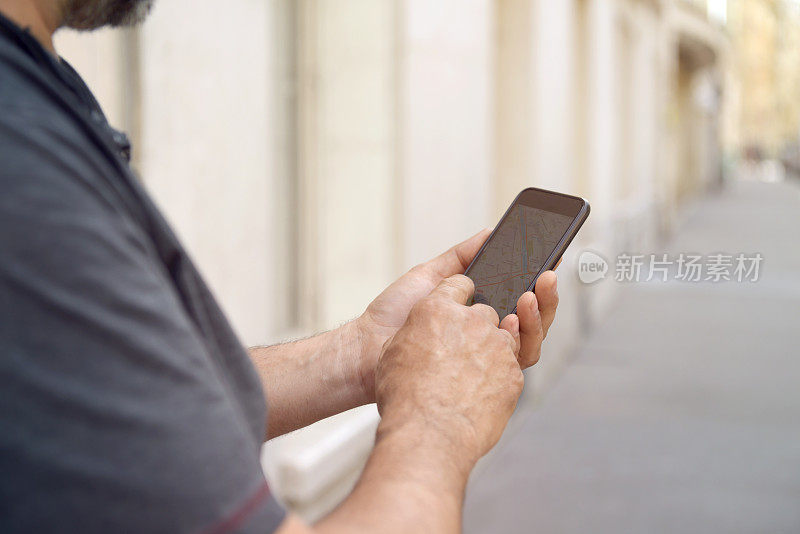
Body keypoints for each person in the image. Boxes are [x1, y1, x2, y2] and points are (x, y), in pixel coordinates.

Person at [0, 1, 560, 532]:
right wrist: (439, 419)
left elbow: (121, 402)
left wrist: (368, 352)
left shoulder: (35, 87)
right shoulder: (22, 156)